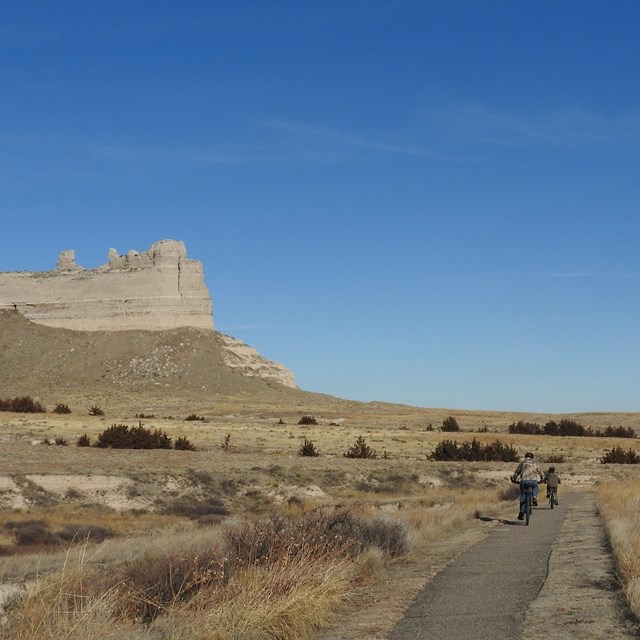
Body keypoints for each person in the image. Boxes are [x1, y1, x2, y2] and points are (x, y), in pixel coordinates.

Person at [511, 452, 545, 520]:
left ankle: (521, 512)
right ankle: (534, 497)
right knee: (535, 487)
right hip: (533, 481)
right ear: (532, 457)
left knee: (523, 496)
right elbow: (541, 472)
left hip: (524, 481)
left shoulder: (522, 463)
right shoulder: (535, 464)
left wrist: (513, 479)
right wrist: (543, 479)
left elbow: (517, 472)